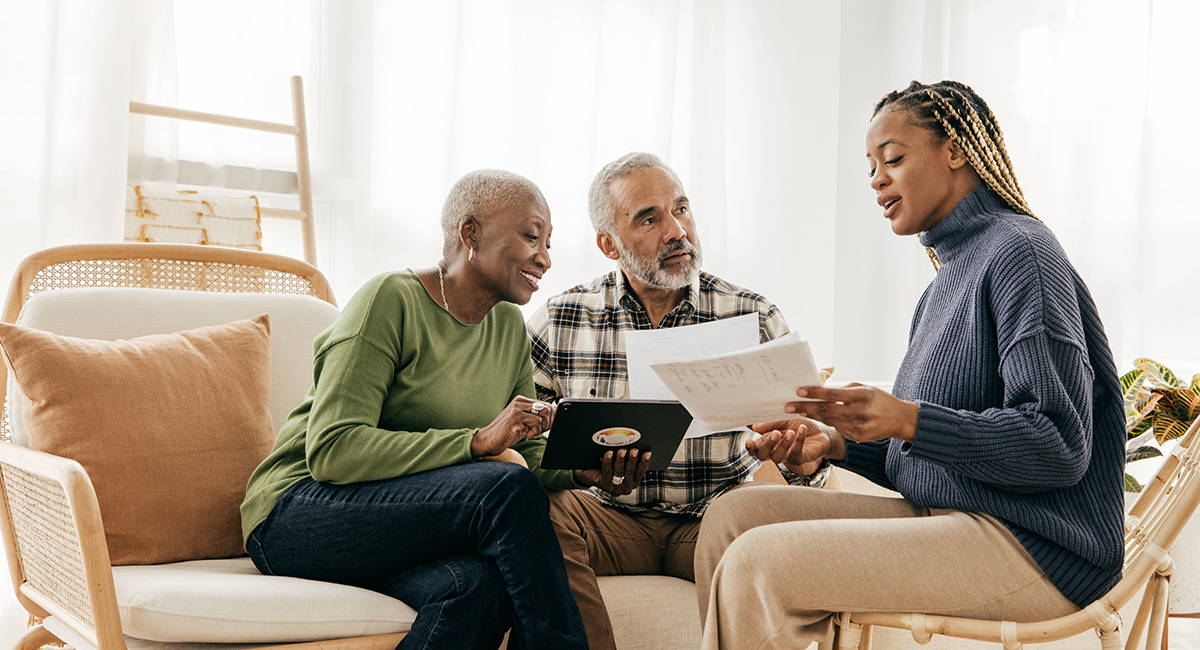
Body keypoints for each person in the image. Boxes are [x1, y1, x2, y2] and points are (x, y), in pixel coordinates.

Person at [694, 80, 1127, 650]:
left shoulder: (1022, 252)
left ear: (956, 150)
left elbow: (1060, 445)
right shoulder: (947, 280)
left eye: (892, 158)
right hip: (951, 515)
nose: (876, 180)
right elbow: (924, 450)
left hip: (1036, 545)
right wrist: (837, 444)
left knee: (758, 562)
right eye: (870, 166)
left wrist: (908, 420)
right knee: (731, 520)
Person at [240, 169, 588, 650]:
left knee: (479, 588)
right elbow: (333, 451)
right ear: (471, 233)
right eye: (531, 237)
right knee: (504, 488)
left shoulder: (508, 326)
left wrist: (582, 468)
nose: (545, 258)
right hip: (298, 513)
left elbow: (522, 451)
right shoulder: (389, 300)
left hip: (394, 522)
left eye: (549, 242)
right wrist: (475, 442)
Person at [527, 152, 830, 650]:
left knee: (762, 529)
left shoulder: (751, 315)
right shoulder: (559, 320)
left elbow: (808, 457)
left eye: (681, 209)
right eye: (649, 218)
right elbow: (523, 447)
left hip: (714, 517)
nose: (676, 230)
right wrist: (579, 471)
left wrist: (797, 456)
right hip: (608, 516)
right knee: (532, 513)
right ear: (609, 244)